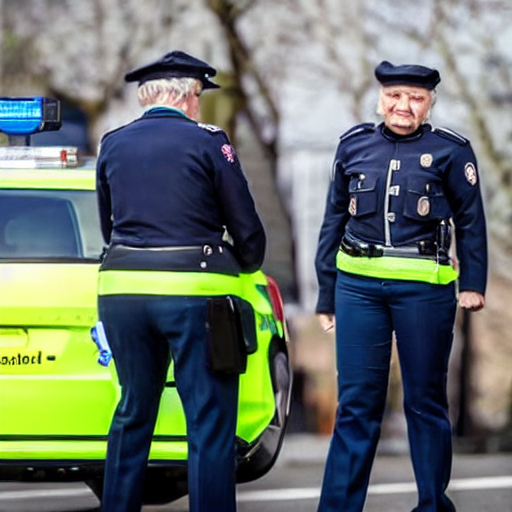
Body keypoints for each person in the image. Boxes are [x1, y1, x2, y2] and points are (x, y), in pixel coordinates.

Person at [95, 50, 266, 512]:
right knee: (209, 420)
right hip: (195, 295)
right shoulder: (210, 142)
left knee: (132, 412)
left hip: (122, 293)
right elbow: (246, 228)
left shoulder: (112, 143)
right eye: (199, 96)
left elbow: (109, 228)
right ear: (189, 96)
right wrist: (245, 261)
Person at [315, 60, 487, 512]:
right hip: (357, 289)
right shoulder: (353, 146)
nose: (403, 106)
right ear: (381, 98)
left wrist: (472, 282)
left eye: (415, 98)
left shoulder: (452, 151)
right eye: (395, 96)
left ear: (430, 103)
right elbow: (334, 219)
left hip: (425, 291)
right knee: (355, 405)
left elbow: (471, 220)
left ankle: (432, 505)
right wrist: (326, 293)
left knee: (424, 402)